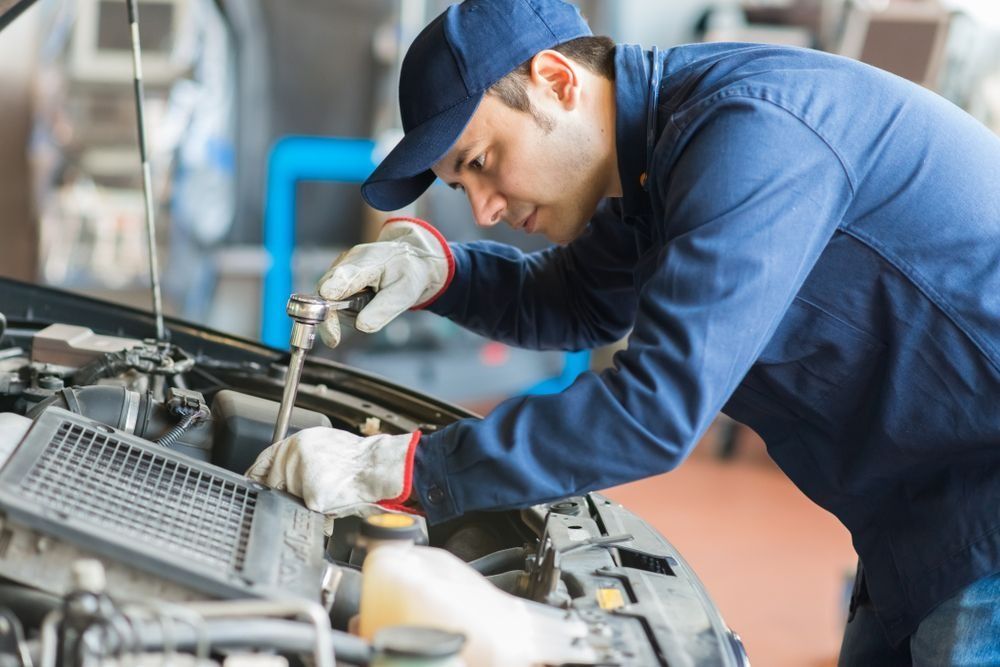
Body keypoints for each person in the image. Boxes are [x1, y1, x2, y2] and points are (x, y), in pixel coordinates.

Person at [246, 0, 1000, 662]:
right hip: (912, 522)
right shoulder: (653, 162)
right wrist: (442, 270)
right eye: (461, 185)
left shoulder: (750, 133)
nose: (483, 208)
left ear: (558, 81)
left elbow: (655, 407)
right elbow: (577, 299)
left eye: (483, 162)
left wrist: (406, 468)